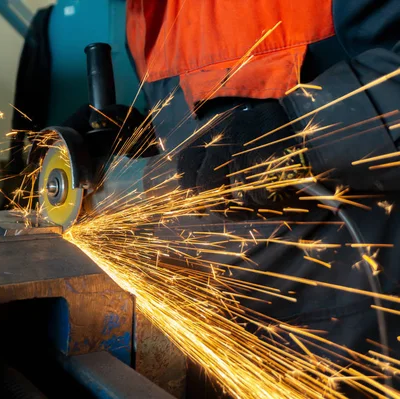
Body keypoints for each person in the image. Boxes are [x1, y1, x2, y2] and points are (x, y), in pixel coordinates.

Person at [68, 0, 400, 395]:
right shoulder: (144, 10)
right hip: (222, 328)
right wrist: (140, 141)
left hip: (350, 321)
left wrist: (299, 129)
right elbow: (204, 132)